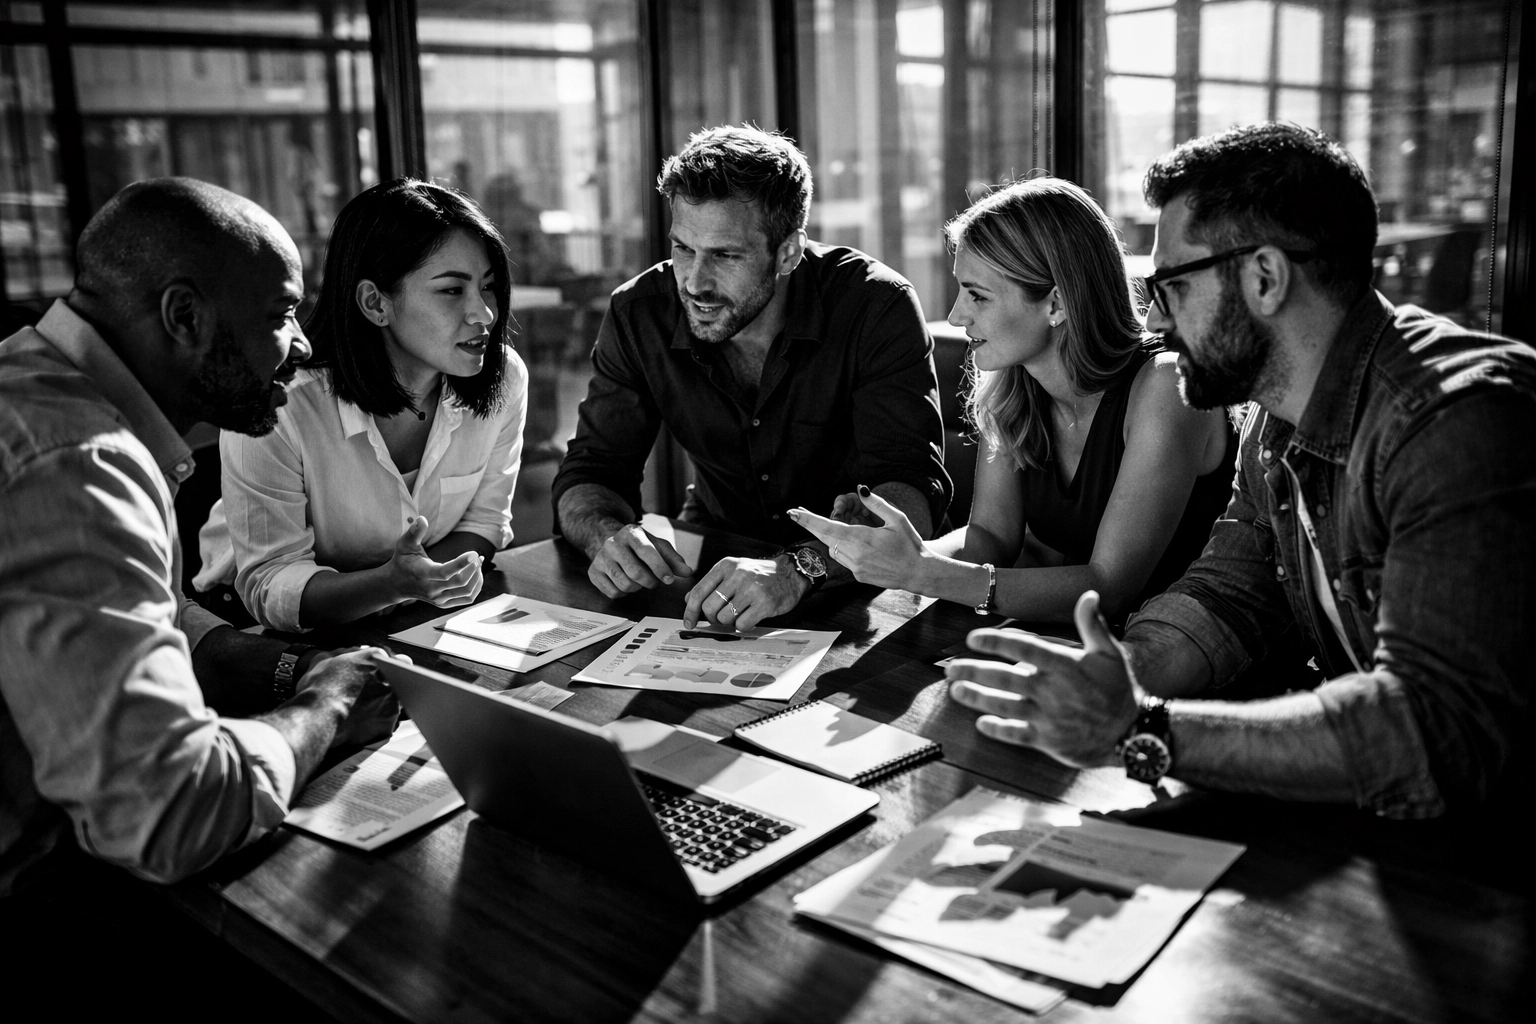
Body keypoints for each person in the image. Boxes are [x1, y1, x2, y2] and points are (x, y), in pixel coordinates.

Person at [944, 123, 1536, 815]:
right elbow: (1231, 593)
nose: (1157, 320)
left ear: (1264, 278)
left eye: (1174, 286)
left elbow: (1435, 731)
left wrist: (1142, 727)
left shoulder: (1454, 422)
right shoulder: (1271, 418)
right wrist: (1107, 682)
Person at [0, 177, 398, 894]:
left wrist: (245, 661)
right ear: (184, 315)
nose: (304, 346)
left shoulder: (31, 393)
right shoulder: (80, 466)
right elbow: (167, 814)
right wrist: (327, 705)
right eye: (281, 314)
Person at [552, 125, 950, 631]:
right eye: (682, 249)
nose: (695, 282)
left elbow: (911, 493)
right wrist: (605, 535)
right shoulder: (639, 313)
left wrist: (794, 570)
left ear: (787, 252)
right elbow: (592, 469)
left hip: (858, 584)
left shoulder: (875, 306)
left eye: (725, 255)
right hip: (715, 569)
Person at [789, 178, 1232, 624]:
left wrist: (921, 572)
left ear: (1056, 304)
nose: (958, 315)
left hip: (1192, 657)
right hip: (1082, 648)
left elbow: (1108, 588)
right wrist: (881, 548)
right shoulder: (1009, 381)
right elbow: (989, 537)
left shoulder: (1165, 384)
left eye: (978, 295)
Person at [195, 178, 528, 630]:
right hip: (251, 629)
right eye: (452, 290)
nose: (484, 313)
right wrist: (394, 585)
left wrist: (420, 580)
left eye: (488, 287)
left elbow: (485, 522)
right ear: (375, 303)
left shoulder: (504, 377)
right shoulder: (282, 404)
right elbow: (272, 582)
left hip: (417, 614)